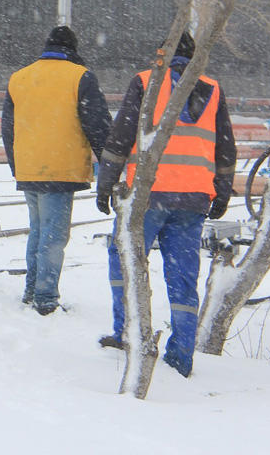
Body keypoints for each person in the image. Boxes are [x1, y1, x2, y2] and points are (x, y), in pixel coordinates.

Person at [95, 31, 237, 377]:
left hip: (148, 195)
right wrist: (222, 189)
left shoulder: (146, 82)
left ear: (163, 56)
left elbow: (121, 136)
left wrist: (106, 183)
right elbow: (226, 148)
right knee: (184, 276)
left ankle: (127, 333)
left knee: (126, 260)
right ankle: (182, 355)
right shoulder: (213, 90)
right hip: (193, 199)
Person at [1, 25, 111, 316]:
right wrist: (109, 164)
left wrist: (17, 165)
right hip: (61, 169)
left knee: (37, 231)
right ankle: (46, 297)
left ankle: (32, 289)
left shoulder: (19, 78)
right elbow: (97, 124)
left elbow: (7, 128)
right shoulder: (79, 77)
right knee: (53, 236)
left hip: (29, 169)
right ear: (73, 50)